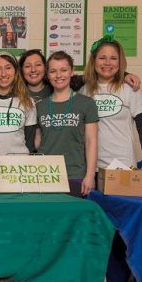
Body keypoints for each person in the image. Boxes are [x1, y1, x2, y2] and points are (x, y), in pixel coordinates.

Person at [81, 37, 142, 180]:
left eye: (113, 58)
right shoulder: (83, 90)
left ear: (120, 62)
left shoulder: (130, 89)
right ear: (94, 61)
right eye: (102, 58)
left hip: (123, 165)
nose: (107, 63)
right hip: (91, 168)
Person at [36, 51, 98, 197]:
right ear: (47, 74)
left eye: (63, 70)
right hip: (46, 175)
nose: (58, 75)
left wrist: (90, 175)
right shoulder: (40, 106)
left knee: (73, 219)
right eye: (53, 71)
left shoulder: (87, 103)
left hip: (75, 174)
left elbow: (91, 141)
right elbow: (38, 143)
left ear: (72, 72)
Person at [19, 49, 142, 104]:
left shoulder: (59, 83)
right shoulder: (16, 90)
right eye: (28, 66)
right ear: (21, 70)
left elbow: (95, 75)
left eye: (38, 65)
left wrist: (124, 75)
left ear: (45, 69)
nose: (33, 70)